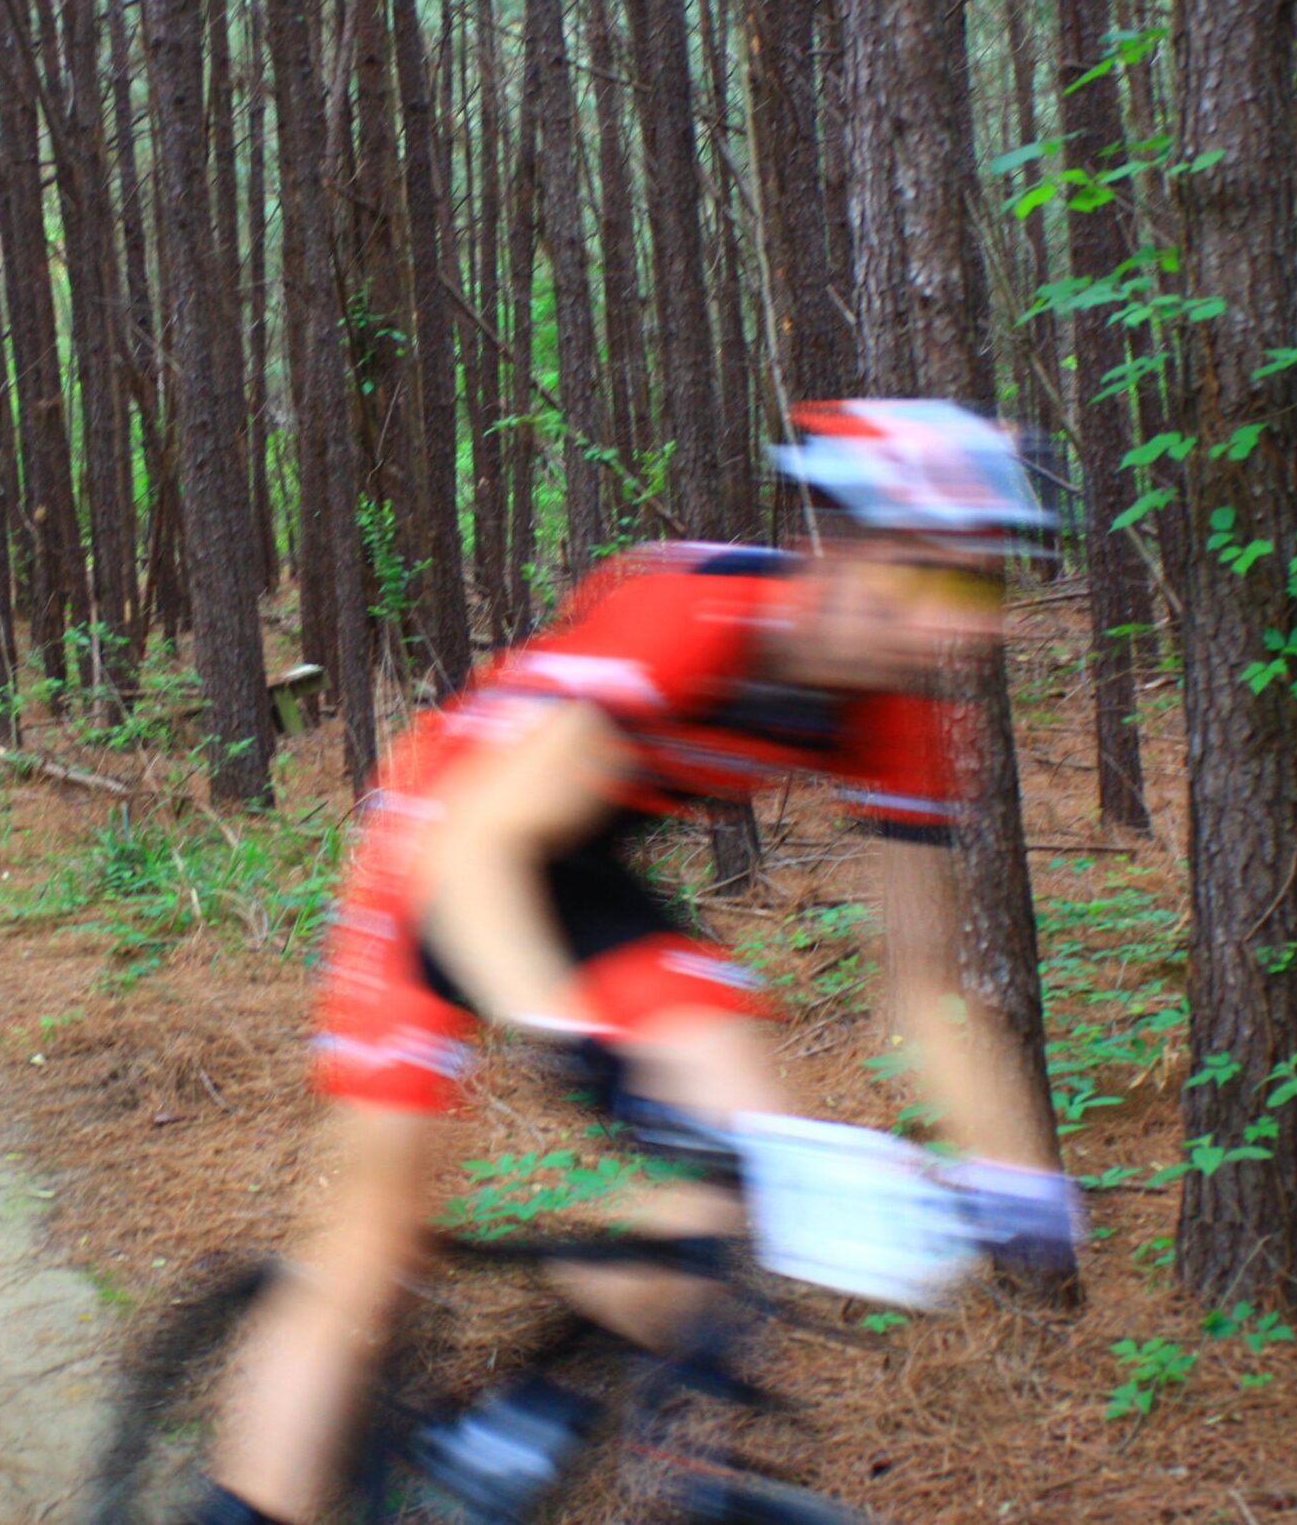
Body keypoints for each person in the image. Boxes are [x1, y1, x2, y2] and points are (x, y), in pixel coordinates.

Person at [185, 400, 1083, 1525]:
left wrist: (1018, 1179)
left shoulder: (900, 716)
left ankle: (520, 1417)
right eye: (944, 581)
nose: (970, 626)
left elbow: (925, 991)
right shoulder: (692, 622)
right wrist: (574, 1034)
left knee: (748, 1141)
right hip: (445, 843)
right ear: (849, 548)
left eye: (987, 590)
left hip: (574, 868)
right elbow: (474, 857)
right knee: (370, 1240)